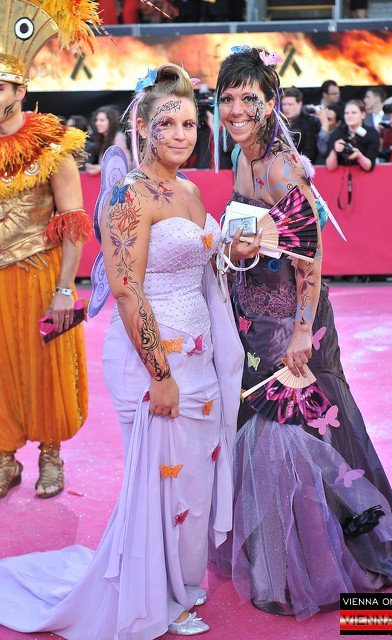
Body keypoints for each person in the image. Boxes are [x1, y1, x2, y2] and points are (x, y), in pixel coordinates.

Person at [0, 63, 243, 639]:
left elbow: (202, 269)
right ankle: (155, 593)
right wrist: (161, 374)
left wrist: (235, 247)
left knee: (193, 482)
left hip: (201, 358)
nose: (181, 134)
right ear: (144, 127)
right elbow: (128, 292)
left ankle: (179, 584)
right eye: (169, 123)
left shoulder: (189, 190)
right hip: (152, 360)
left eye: (190, 123)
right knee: (162, 483)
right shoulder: (128, 196)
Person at [213, 45, 392, 619]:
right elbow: (253, 235)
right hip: (254, 319)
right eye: (227, 98)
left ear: (271, 102)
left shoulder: (283, 167)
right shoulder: (240, 156)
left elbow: (311, 254)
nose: (236, 109)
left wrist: (302, 330)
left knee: (298, 432)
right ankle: (295, 557)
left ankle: (342, 569)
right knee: (270, 436)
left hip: (292, 322)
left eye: (249, 98)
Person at [0, 0, 97, 500]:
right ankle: (5, 456)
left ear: (21, 90)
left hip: (41, 275)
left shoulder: (52, 146)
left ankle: (51, 455)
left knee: (46, 368)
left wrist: (65, 290)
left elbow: (74, 226)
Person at [326, 99, 380, 171]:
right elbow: (330, 167)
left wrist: (359, 156)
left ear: (363, 115)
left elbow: (369, 167)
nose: (349, 116)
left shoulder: (371, 133)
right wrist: (334, 150)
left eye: (353, 113)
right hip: (341, 175)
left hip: (364, 175)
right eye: (346, 113)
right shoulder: (337, 133)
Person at [85, 105, 130, 175]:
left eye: (102, 120)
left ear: (111, 122)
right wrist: (95, 167)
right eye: (97, 120)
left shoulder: (118, 138)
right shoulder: (102, 138)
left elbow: (124, 163)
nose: (97, 123)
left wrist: (100, 168)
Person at [282, 87, 318, 163]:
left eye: (290, 104)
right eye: (284, 104)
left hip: (300, 164)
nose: (286, 108)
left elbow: (309, 153)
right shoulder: (278, 122)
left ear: (300, 104)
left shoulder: (308, 123)